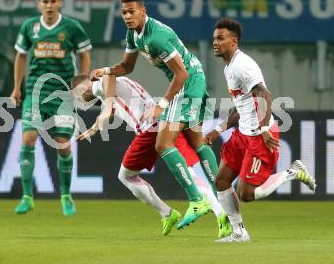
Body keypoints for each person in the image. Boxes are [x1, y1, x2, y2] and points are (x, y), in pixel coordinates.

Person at [90, 0, 219, 229]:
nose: (128, 17)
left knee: (162, 143)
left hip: (189, 82)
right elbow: (126, 67)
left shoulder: (156, 37)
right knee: (197, 142)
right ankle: (220, 194)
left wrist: (162, 104)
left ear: (143, 12)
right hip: (190, 81)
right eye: (124, 13)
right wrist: (107, 70)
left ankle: (197, 200)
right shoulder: (133, 35)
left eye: (132, 12)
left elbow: (181, 73)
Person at [71, 74, 231, 238]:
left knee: (126, 176)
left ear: (83, 88)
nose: (83, 102)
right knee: (189, 172)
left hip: (149, 129)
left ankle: (167, 213)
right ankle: (222, 216)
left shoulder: (100, 85)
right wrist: (94, 128)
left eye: (80, 97)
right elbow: (110, 108)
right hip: (166, 122)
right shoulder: (110, 94)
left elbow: (107, 78)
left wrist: (104, 111)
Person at [204, 17, 316, 242]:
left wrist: (264, 127)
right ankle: (239, 232)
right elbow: (241, 105)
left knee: (247, 194)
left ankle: (292, 172)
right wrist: (219, 129)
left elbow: (265, 94)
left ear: (234, 41)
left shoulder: (242, 65)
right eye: (214, 38)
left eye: (221, 38)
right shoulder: (229, 67)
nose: (215, 42)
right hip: (243, 134)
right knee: (222, 181)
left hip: (259, 135)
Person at [11, 0, 92, 215]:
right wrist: (16, 88)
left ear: (60, 2)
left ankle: (66, 194)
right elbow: (20, 56)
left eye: (52, 1)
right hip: (35, 92)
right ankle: (27, 196)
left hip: (62, 94)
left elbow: (85, 53)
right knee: (27, 139)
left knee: (63, 146)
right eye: (44, 2)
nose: (48, 6)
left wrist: (83, 81)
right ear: (38, 4)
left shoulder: (72, 27)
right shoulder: (29, 27)